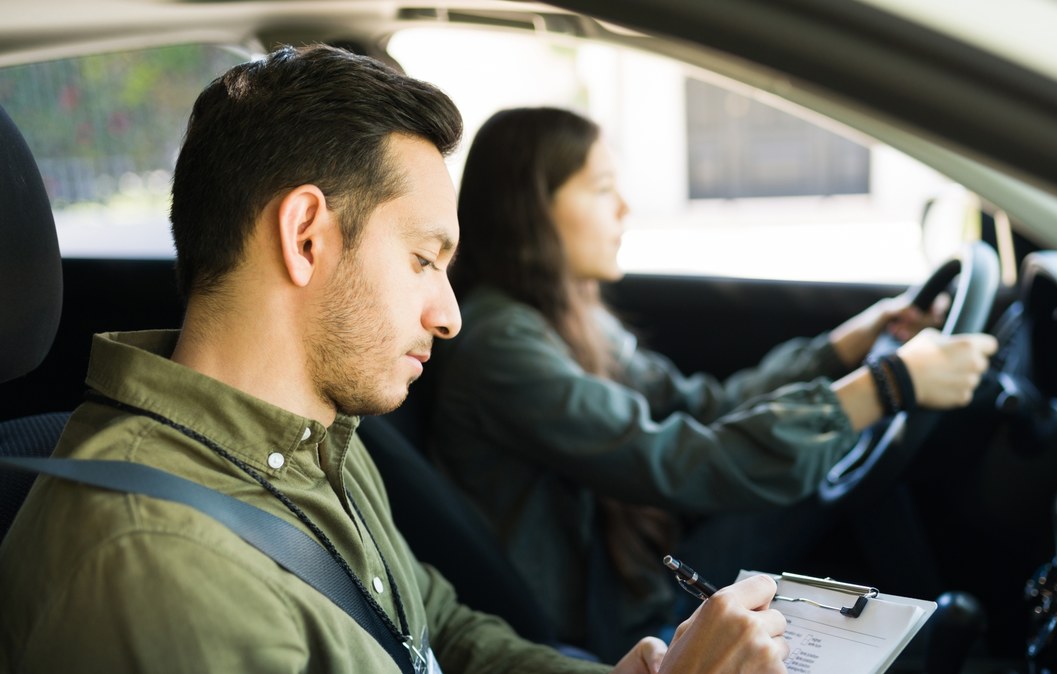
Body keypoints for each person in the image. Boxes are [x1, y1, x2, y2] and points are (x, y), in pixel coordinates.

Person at [0, 46, 791, 673]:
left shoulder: (315, 436)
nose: (448, 316)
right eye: (423, 259)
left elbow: (433, 631)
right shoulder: (155, 564)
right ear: (306, 237)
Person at [422, 106, 999, 659]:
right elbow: (681, 459)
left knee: (826, 467)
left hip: (637, 578)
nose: (625, 208)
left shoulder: (571, 316)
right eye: (602, 190)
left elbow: (707, 406)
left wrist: (845, 347)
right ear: (532, 208)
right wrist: (885, 387)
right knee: (821, 474)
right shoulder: (502, 346)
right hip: (611, 624)